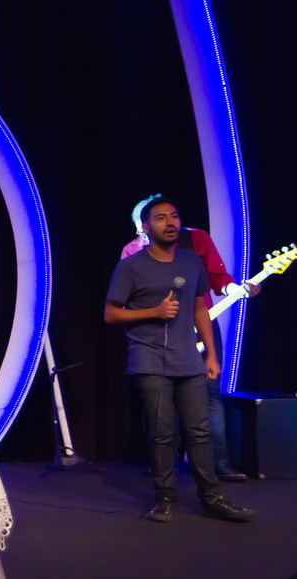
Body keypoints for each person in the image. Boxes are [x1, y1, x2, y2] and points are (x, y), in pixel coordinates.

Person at [104, 196, 255, 522]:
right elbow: (111, 313)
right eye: (160, 218)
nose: (170, 222)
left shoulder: (190, 261)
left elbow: (201, 307)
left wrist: (212, 355)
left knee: (199, 431)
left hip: (189, 359)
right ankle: (165, 499)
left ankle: (212, 497)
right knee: (162, 431)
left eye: (173, 216)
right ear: (145, 228)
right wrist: (153, 312)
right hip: (150, 358)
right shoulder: (130, 266)